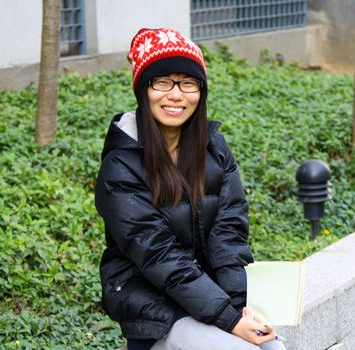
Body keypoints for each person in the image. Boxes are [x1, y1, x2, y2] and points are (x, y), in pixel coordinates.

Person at [95, 28, 287, 350]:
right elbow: (158, 254)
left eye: (188, 83)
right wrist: (230, 321)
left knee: (271, 346)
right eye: (162, 82)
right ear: (144, 90)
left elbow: (229, 236)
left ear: (200, 91)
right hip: (155, 308)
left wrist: (240, 309)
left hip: (207, 298)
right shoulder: (121, 166)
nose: (175, 95)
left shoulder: (215, 150)